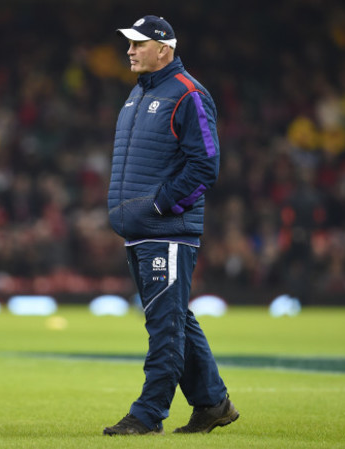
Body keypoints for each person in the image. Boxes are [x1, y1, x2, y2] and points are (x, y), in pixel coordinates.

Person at [103, 15, 239, 436]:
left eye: (138, 44)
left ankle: (147, 414)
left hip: (167, 232)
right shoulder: (137, 94)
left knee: (165, 325)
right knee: (176, 319)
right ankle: (213, 403)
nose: (129, 50)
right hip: (141, 230)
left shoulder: (188, 93)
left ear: (165, 49)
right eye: (129, 44)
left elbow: (205, 165)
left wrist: (161, 206)